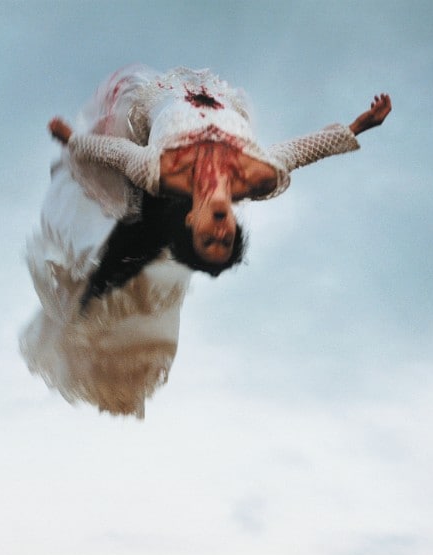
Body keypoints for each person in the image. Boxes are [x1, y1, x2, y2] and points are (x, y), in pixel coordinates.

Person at [20, 65, 390, 418]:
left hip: (152, 100)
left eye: (207, 241)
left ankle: (98, 301)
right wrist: (361, 125)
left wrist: (71, 139)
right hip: (214, 97)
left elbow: (113, 153)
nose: (219, 234)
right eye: (225, 242)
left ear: (191, 220)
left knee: (133, 233)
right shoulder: (259, 175)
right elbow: (304, 150)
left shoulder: (157, 172)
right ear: (233, 227)